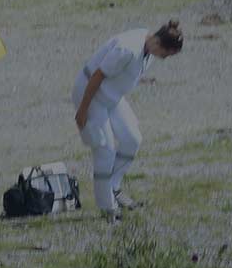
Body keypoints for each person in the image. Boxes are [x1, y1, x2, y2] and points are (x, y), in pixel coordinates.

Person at [72, 20, 183, 221]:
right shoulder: (128, 50)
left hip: (111, 96)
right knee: (104, 149)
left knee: (132, 139)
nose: (164, 59)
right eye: (166, 54)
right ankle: (108, 209)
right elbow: (97, 76)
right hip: (91, 94)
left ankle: (113, 188)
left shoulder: (148, 46)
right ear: (158, 44)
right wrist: (82, 110)